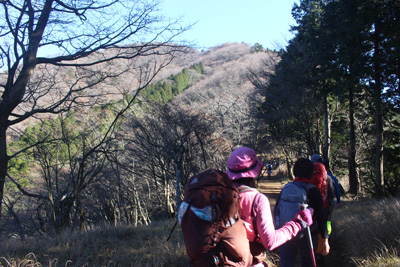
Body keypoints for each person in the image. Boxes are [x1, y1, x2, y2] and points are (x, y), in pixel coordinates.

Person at [226, 147, 314, 267]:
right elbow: (270, 242)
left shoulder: (217, 196)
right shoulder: (257, 199)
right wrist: (298, 223)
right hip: (249, 262)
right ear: (255, 172)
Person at [278, 158, 330, 267]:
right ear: (311, 173)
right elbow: (321, 217)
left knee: (287, 263)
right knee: (308, 263)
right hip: (308, 235)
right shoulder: (313, 191)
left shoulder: (286, 188)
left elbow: (277, 212)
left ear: (294, 172)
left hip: (286, 233)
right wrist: (325, 239)